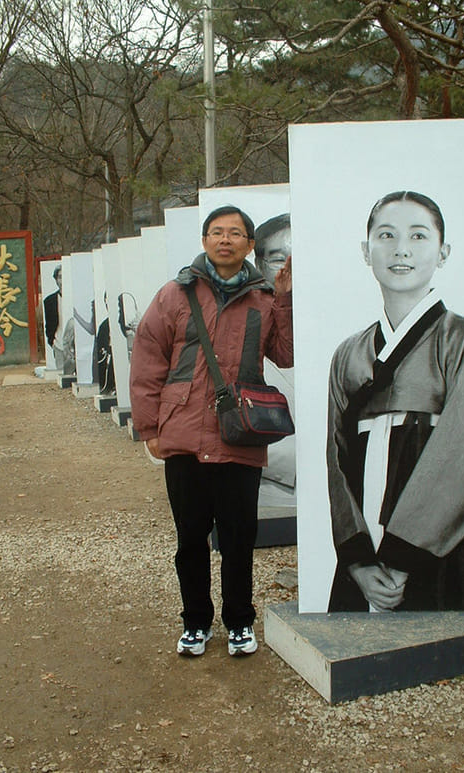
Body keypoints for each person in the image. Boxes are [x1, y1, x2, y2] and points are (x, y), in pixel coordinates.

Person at [326, 191, 464, 613]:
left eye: (418, 236)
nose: (401, 249)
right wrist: (358, 560)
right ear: (367, 252)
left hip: (453, 533)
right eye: (387, 235)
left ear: (443, 252)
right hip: (368, 523)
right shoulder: (349, 353)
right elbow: (337, 459)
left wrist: (402, 559)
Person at [130, 205, 293, 657]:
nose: (225, 240)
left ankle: (240, 622)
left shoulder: (264, 297)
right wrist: (149, 426)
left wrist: (286, 299)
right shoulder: (175, 295)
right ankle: (196, 622)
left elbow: (286, 352)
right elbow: (147, 358)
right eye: (217, 232)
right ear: (204, 241)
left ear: (249, 244)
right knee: (190, 538)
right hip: (183, 435)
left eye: (235, 233)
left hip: (239, 435)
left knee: (239, 539)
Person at [254, 214, 296, 508]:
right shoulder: (252, 322)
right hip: (276, 493)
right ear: (259, 265)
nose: (289, 269)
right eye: (278, 259)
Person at [43, 265, 64, 369]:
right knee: (63, 376)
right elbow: (49, 324)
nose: (62, 280)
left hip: (77, 346)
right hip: (59, 344)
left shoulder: (76, 299)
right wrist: (52, 342)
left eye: (64, 276)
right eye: (60, 277)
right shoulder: (49, 301)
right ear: (56, 280)